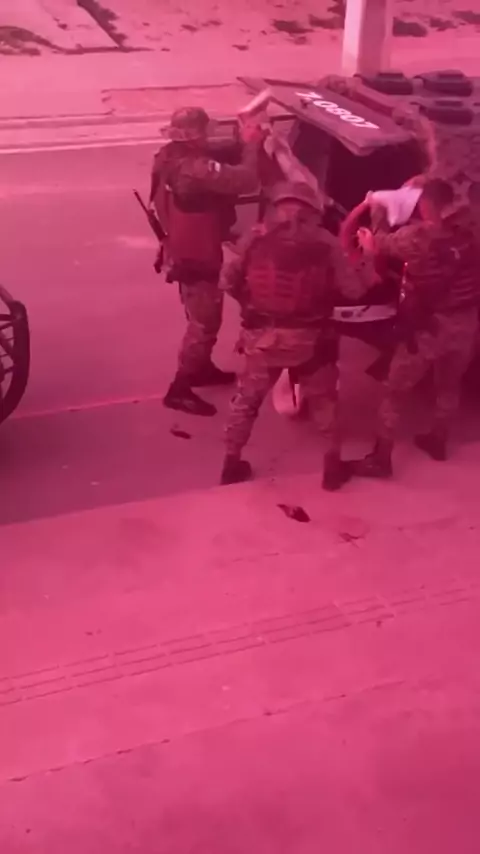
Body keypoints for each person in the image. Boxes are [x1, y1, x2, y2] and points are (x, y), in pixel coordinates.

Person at [220, 181, 371, 492]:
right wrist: (368, 258)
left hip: (262, 338)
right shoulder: (326, 243)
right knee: (324, 404)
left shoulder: (255, 237)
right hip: (310, 340)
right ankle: (332, 468)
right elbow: (354, 291)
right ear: (312, 211)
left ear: (276, 208)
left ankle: (231, 463)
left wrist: (251, 307)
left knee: (247, 401)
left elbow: (228, 281)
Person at [355, 177, 480, 477]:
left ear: (424, 206)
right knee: (449, 385)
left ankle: (381, 458)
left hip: (428, 329)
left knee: (395, 391)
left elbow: (378, 242)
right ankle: (438, 439)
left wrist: (377, 208)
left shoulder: (416, 238)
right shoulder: (473, 232)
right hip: (465, 325)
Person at [150, 106, 264, 417]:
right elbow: (245, 180)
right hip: (196, 256)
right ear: (195, 137)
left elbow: (213, 155)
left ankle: (200, 369)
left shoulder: (169, 156)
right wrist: (251, 145)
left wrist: (240, 139)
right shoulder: (194, 169)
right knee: (203, 324)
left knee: (204, 319)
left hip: (184, 247)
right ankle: (180, 388)